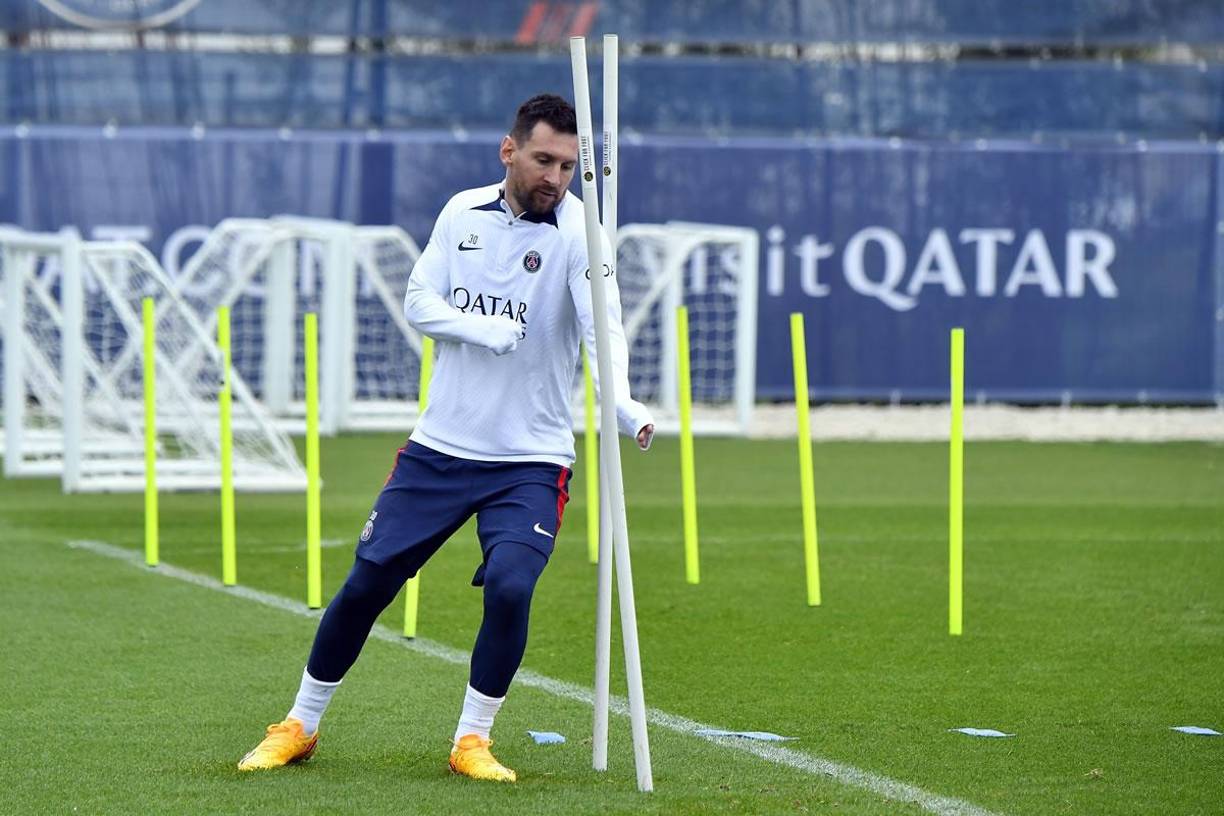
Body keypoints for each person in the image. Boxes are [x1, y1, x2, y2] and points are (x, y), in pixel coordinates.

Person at [237, 94, 654, 783]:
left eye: (567, 166)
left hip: (530, 458)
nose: (555, 177)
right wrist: (482, 330)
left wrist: (625, 406)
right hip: (440, 448)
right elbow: (419, 301)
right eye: (543, 160)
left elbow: (601, 333)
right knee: (366, 584)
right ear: (509, 150)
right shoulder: (462, 212)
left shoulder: (584, 233)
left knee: (512, 587)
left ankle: (472, 740)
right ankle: (299, 725)